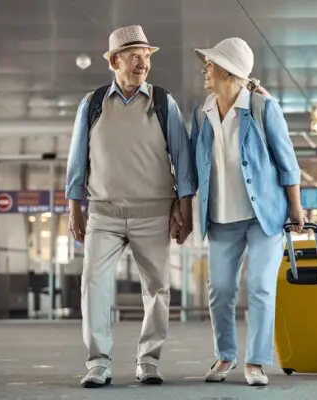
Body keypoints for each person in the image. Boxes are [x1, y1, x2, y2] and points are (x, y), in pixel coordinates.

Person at [170, 37, 305, 386]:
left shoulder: (262, 108)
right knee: (221, 290)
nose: (205, 69)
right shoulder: (203, 112)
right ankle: (225, 356)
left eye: (211, 64)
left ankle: (256, 362)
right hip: (221, 218)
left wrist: (296, 208)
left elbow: (287, 163)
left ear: (229, 72)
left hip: (264, 219)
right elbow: (194, 167)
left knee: (260, 286)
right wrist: (183, 208)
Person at [65, 25, 193, 388]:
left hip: (153, 213)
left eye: (147, 56)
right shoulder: (92, 104)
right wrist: (75, 208)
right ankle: (98, 363)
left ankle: (149, 361)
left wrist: (184, 209)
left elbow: (182, 162)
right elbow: (77, 161)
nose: (143, 62)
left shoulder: (163, 102)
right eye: (135, 55)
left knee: (158, 288)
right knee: (94, 285)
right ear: (115, 61)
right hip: (103, 214)